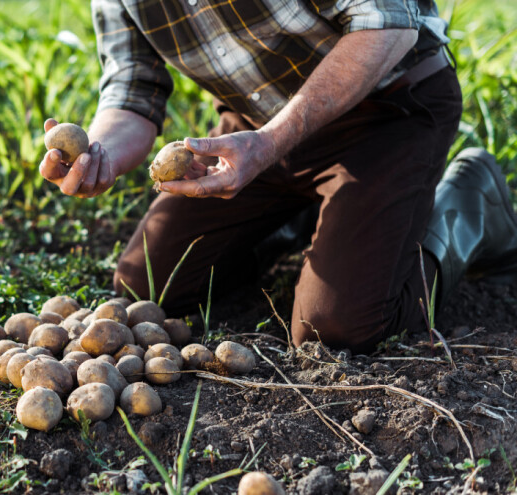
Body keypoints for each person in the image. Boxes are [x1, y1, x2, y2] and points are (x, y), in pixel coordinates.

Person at [38, 0, 517, 353]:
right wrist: (97, 156)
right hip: (255, 127)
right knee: (150, 287)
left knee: (337, 331)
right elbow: (132, 89)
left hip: (386, 110)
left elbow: (388, 25)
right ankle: (301, 217)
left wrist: (269, 142)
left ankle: (469, 203)